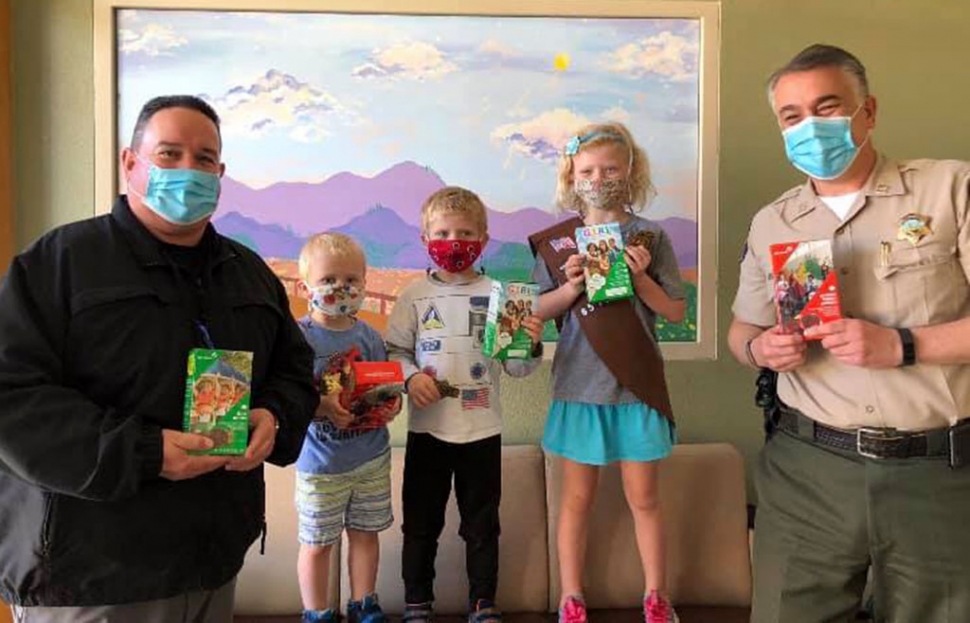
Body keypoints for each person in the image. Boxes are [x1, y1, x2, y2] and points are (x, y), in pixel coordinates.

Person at [0, 95, 318, 622]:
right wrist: (144, 452)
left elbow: (294, 370)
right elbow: (12, 397)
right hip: (91, 576)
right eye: (168, 154)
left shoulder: (249, 273)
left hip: (213, 566)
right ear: (131, 163)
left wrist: (276, 416)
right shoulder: (60, 263)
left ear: (221, 173)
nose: (188, 170)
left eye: (204, 159)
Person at [729, 44, 970, 623]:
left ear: (868, 111)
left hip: (935, 473)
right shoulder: (772, 222)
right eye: (791, 117)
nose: (809, 126)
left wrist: (905, 346)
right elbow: (744, 329)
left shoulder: (950, 188)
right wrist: (760, 349)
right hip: (807, 469)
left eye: (827, 106)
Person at [529, 121, 685, 623]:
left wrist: (639, 278)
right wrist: (571, 287)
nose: (599, 179)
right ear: (572, 176)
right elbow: (536, 311)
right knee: (576, 501)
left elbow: (676, 312)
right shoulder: (558, 245)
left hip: (636, 389)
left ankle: (657, 597)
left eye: (610, 169)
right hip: (579, 389)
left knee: (645, 499)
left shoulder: (651, 236)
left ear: (630, 170)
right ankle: (571, 597)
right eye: (589, 170)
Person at [385, 186, 543, 623]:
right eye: (443, 232)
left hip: (482, 432)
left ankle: (483, 604)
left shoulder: (502, 295)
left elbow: (518, 370)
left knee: (482, 527)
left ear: (483, 239)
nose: (454, 242)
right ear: (425, 239)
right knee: (420, 525)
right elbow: (394, 350)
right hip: (426, 432)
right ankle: (416, 603)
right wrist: (410, 376)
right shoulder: (413, 296)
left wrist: (528, 346)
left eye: (465, 232)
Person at [294, 232, 397, 623]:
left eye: (352, 280)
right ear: (306, 287)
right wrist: (320, 406)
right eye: (329, 280)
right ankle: (316, 611)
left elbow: (383, 385)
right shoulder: (299, 338)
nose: (342, 288)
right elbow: (288, 396)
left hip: (370, 458)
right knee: (317, 543)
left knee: (366, 534)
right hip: (320, 464)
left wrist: (389, 401)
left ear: (365, 285)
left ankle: (364, 603)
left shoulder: (370, 336)